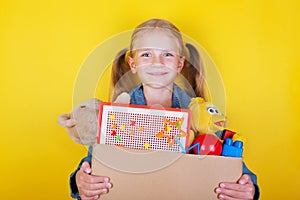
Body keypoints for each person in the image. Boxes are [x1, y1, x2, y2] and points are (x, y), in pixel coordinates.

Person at [69, 18, 260, 200]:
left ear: (179, 64)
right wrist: (81, 180)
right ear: (133, 64)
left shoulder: (201, 115)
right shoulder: (119, 112)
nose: (157, 62)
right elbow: (95, 161)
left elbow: (233, 165)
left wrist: (247, 186)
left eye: (167, 54)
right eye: (146, 54)